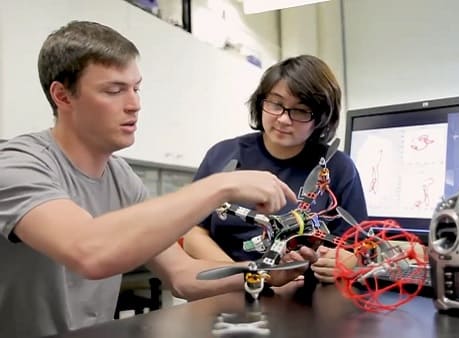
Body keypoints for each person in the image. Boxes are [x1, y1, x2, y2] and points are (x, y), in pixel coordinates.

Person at [0, 21, 311, 338]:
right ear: (63, 96)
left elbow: (183, 275)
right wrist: (220, 185)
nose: (134, 104)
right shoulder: (17, 164)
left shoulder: (122, 177)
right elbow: (87, 251)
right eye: (114, 90)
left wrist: (267, 272)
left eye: (136, 88)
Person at [183, 55, 368, 284]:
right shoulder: (223, 155)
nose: (283, 119)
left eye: (300, 111)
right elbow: (193, 233)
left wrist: (345, 262)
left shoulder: (337, 168)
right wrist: (246, 275)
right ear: (261, 101)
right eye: (275, 104)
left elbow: (358, 248)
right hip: (226, 288)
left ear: (320, 118)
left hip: (304, 297)